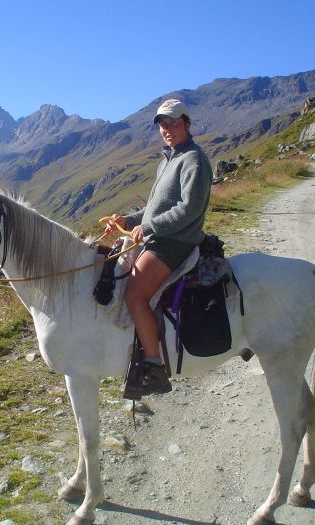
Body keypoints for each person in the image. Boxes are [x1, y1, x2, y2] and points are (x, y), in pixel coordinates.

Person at [105, 99, 213, 396]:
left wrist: (149, 228)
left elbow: (189, 210)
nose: (167, 129)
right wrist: (128, 219)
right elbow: (153, 209)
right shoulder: (167, 160)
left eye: (173, 122)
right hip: (159, 237)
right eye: (163, 125)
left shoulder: (193, 160)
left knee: (135, 294)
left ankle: (153, 365)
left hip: (175, 242)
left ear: (187, 123)